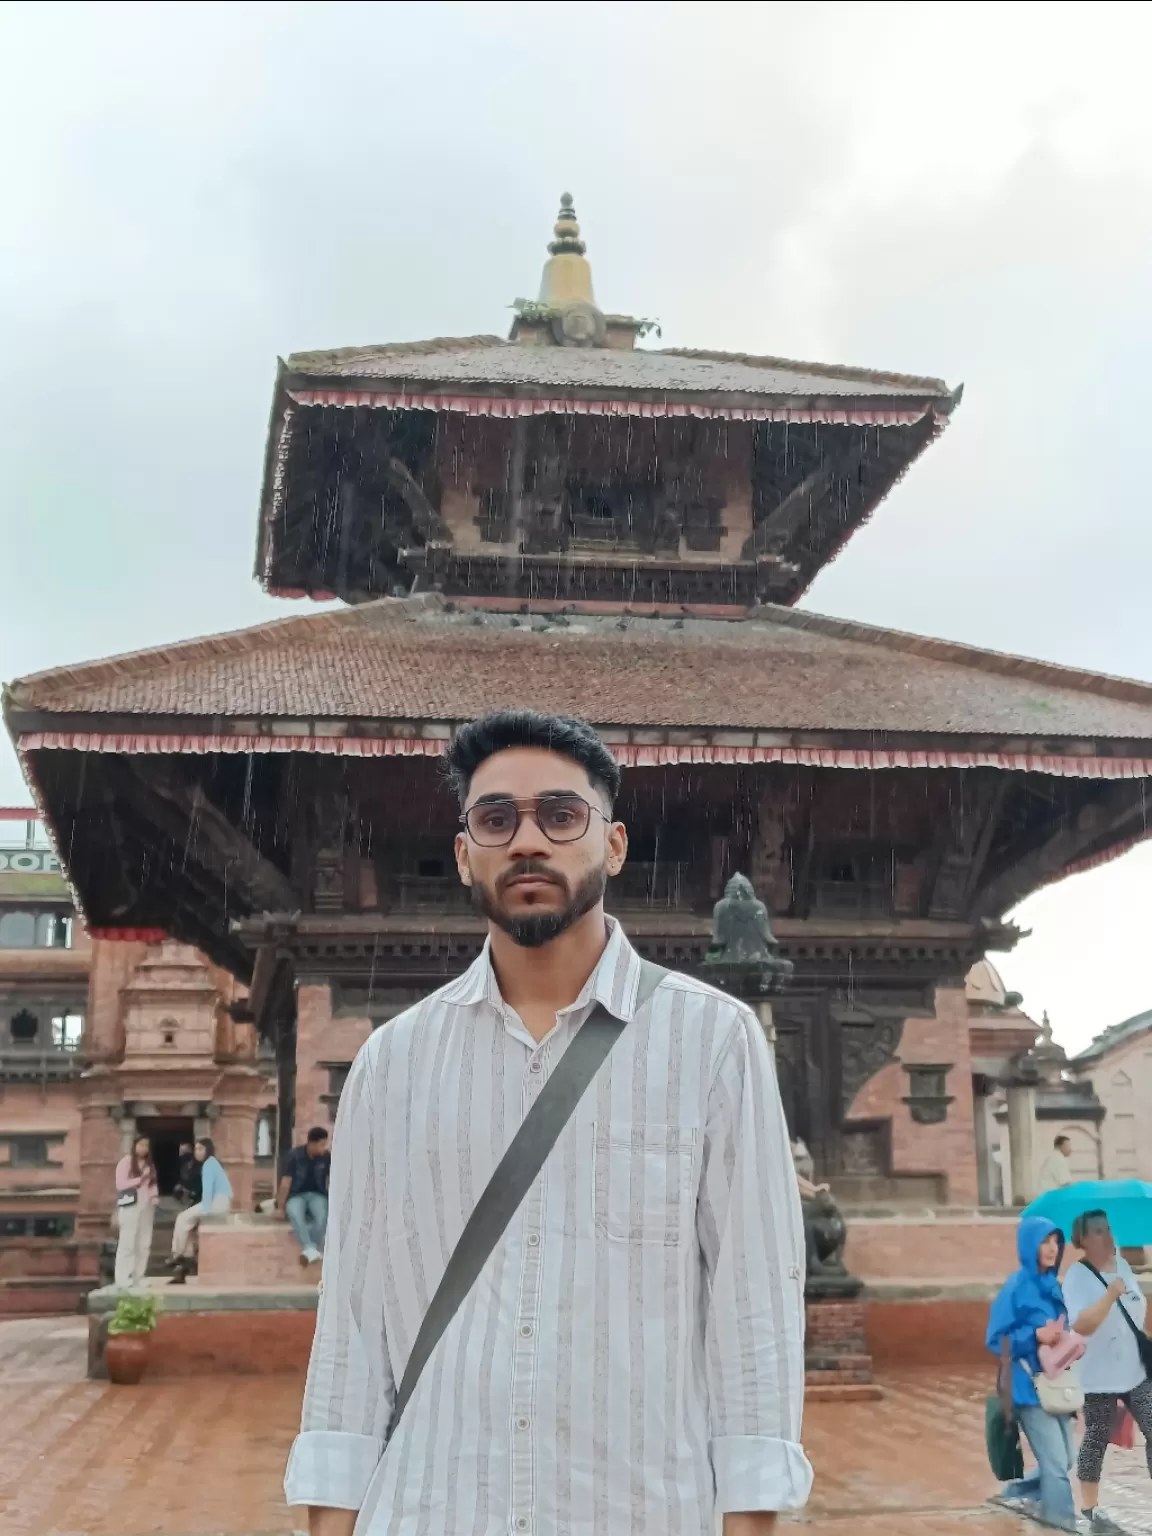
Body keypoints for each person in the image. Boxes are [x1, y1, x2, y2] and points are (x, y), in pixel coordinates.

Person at [285, 710, 812, 1536]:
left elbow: (755, 1303)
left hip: (640, 1509)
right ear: (465, 854)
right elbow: (352, 1317)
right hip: (434, 1507)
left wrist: (750, 1519)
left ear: (613, 843)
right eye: (497, 819)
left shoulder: (713, 1043)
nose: (527, 840)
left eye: (561, 815)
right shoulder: (392, 1065)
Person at [1062, 1209, 1152, 1533]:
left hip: (1136, 1369)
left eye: (1108, 1229)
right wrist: (1109, 1295)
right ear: (1083, 1240)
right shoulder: (1077, 1276)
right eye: (1098, 1231)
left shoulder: (1123, 1267)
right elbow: (1082, 1324)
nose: (1107, 1236)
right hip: (1099, 1374)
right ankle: (1089, 1509)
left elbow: (1138, 1310)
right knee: (1097, 1436)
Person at [986, 1215, 1077, 1532]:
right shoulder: (1015, 1288)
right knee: (1055, 1465)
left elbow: (1058, 1331)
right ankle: (1062, 1524)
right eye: (1044, 1241)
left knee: (1065, 1460)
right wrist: (1035, 1336)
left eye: (1055, 1241)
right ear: (1029, 1245)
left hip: (1056, 1384)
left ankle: (1016, 1493)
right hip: (1026, 1387)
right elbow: (996, 1340)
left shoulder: (1053, 1285)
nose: (1052, 1248)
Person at [168, 1137, 233, 1281]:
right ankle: (184, 1262)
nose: (197, 1152)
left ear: (208, 1150)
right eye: (196, 1149)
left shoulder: (209, 1165)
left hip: (215, 1202)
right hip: (211, 1201)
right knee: (187, 1228)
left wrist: (200, 1208)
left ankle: (176, 1254)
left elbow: (207, 1190)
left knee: (182, 1218)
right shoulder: (203, 1165)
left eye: (201, 1149)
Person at [277, 1127, 331, 1266]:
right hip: (296, 1195)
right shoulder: (294, 1156)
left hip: (317, 1195)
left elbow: (331, 1181)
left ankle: (309, 1249)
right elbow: (285, 1182)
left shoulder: (326, 1157)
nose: (324, 1147)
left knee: (323, 1216)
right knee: (295, 1215)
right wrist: (280, 1208)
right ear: (312, 1143)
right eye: (321, 1144)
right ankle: (311, 1249)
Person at [113, 1134, 158, 1289]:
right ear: (134, 1146)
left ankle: (140, 1275)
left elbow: (152, 1184)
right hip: (130, 1205)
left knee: (144, 1242)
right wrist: (140, 1180)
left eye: (146, 1146)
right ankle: (123, 1276)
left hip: (146, 1207)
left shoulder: (148, 1164)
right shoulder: (125, 1162)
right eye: (141, 1145)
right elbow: (121, 1184)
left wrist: (154, 1197)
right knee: (128, 1242)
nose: (144, 1149)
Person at [174, 1140, 202, 1206]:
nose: (181, 1153)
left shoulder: (197, 1163)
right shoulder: (184, 1164)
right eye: (180, 1151)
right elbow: (183, 1177)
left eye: (183, 1151)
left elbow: (196, 1177)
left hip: (195, 1193)